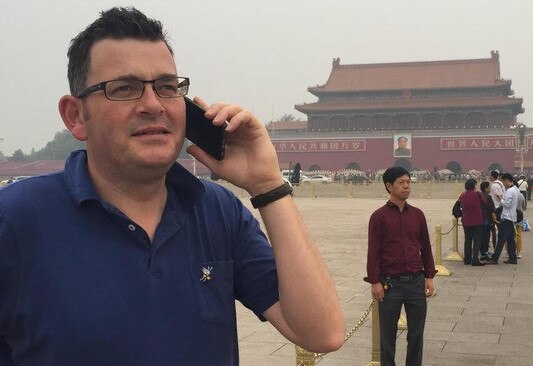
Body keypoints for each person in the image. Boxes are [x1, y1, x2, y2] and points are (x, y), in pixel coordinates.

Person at [0, 8, 344, 365]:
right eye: (125, 88)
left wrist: (268, 185)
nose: (152, 105)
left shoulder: (217, 211)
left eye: (166, 87)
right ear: (76, 115)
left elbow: (321, 332)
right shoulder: (16, 218)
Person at [366, 167, 436, 366]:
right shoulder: (378, 217)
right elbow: (373, 252)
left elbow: (426, 248)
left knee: (416, 335)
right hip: (390, 285)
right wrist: (375, 282)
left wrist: (429, 276)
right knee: (387, 337)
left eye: (408, 182)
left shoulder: (417, 215)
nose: (406, 186)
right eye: (401, 182)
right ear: (389, 186)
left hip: (416, 282)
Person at [488, 173, 518, 264]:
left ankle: (495, 258)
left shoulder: (510, 191)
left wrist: (500, 199)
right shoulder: (515, 189)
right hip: (512, 217)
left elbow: (507, 204)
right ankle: (513, 258)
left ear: (507, 180)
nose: (503, 184)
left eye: (503, 181)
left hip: (507, 217)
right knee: (510, 240)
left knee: (501, 239)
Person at [458, 179, 487, 266]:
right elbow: (485, 203)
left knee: (467, 240)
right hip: (478, 220)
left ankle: (467, 259)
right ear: (474, 186)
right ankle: (475, 259)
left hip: (466, 220)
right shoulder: (478, 194)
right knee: (477, 240)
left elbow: (460, 206)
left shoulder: (462, 195)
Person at [479, 181, 497, 261]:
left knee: (481, 237)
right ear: (486, 189)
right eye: (489, 187)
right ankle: (484, 254)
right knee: (486, 237)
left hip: (480, 219)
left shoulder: (479, 195)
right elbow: (492, 209)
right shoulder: (488, 197)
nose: (490, 188)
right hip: (487, 219)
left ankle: (481, 252)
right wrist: (494, 218)